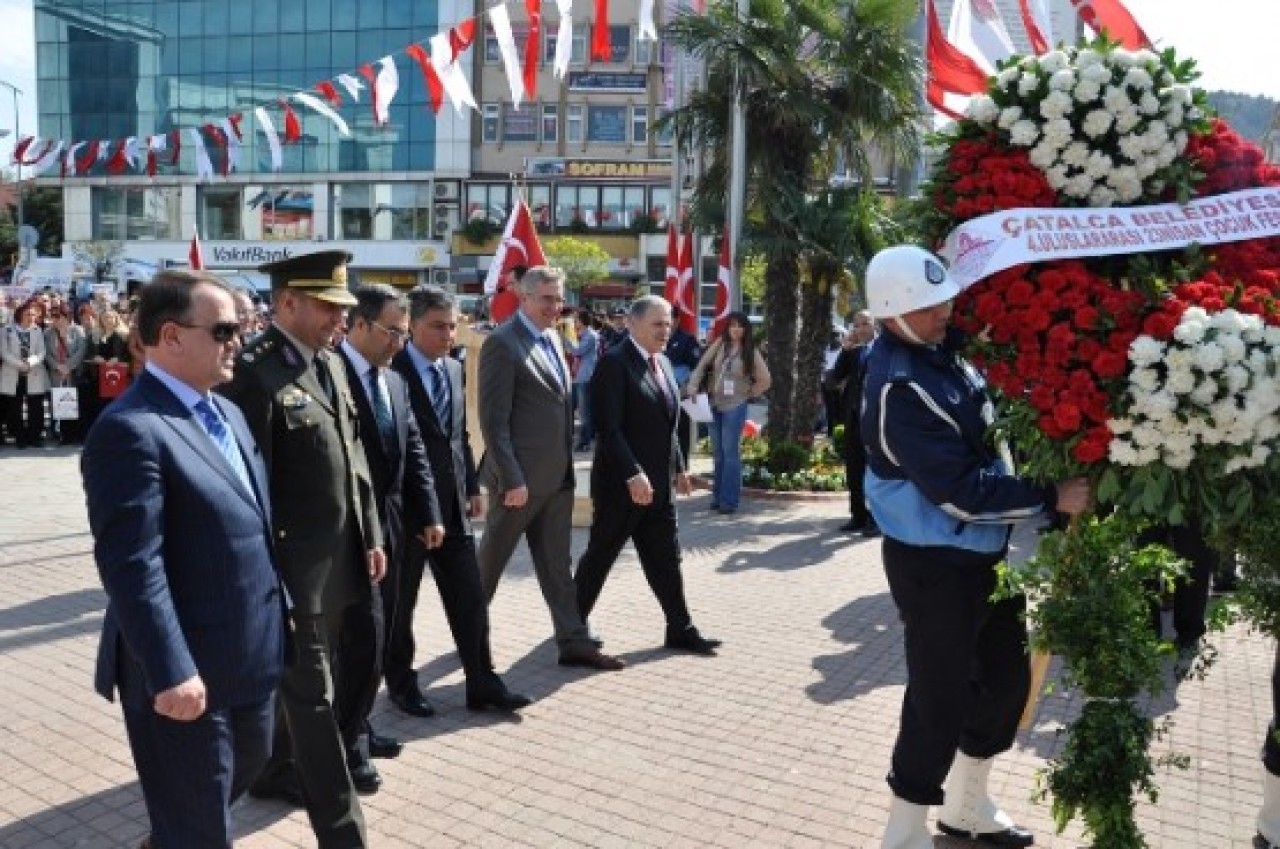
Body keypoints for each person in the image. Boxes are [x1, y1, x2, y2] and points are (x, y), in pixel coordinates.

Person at [860, 245, 1091, 849]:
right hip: (935, 565)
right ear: (892, 314)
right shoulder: (899, 386)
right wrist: (1051, 497)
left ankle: (966, 806)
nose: (945, 313)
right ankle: (903, 830)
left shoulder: (934, 347)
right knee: (939, 696)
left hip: (980, 557)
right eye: (931, 306)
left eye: (945, 301)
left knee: (1006, 684)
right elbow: (959, 493)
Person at [81, 270, 287, 849]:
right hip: (184, 668)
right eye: (224, 330)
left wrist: (281, 607)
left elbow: (254, 528)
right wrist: (171, 670)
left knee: (239, 774)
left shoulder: (228, 413)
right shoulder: (131, 430)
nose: (238, 342)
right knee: (200, 828)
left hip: (247, 652)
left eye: (242, 328)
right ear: (170, 336)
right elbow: (132, 565)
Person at [221, 249, 384, 848]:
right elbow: (246, 489)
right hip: (291, 576)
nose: (340, 318)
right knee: (315, 707)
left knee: (300, 700)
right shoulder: (252, 373)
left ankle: (262, 773)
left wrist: (370, 532)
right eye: (327, 306)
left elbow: (353, 455)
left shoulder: (332, 364)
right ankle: (345, 836)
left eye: (343, 307)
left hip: (338, 563)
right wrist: (269, 583)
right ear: (286, 303)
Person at [390, 285, 533, 712]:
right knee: (402, 607)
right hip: (409, 512)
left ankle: (482, 680)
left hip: (452, 508)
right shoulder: (391, 371)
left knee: (470, 600)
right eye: (437, 326)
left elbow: (458, 436)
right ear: (412, 325)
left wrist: (471, 486)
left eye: (453, 326)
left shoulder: (453, 369)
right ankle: (402, 685)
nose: (447, 335)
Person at [476, 265, 624, 671]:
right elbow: (493, 421)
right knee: (489, 562)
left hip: (557, 479)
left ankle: (573, 640)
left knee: (558, 567)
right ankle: (468, 629)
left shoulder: (556, 340)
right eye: (545, 298)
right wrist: (511, 477)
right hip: (518, 483)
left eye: (559, 299)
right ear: (523, 298)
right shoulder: (502, 344)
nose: (554, 306)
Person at [335, 284, 445, 792]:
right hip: (348, 532)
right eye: (392, 331)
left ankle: (360, 722)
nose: (400, 342)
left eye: (403, 332)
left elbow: (415, 451)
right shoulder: (328, 375)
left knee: (381, 634)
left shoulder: (394, 381)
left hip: (395, 528)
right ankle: (347, 744)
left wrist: (428, 513)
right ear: (358, 325)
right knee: (354, 640)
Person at [574, 296, 722, 655]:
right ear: (632, 324)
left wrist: (679, 468)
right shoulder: (614, 364)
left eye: (668, 323)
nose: (665, 330)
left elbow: (666, 426)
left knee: (666, 561)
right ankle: (571, 627)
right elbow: (608, 429)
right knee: (600, 557)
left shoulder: (665, 364)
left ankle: (680, 628)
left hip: (659, 488)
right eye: (657, 324)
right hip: (621, 488)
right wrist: (632, 475)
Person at [686, 311, 771, 515]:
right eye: (732, 325)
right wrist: (692, 387)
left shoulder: (750, 351)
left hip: (735, 405)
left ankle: (729, 501)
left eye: (740, 326)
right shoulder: (720, 344)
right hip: (714, 404)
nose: (736, 329)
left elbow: (766, 379)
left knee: (730, 453)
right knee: (718, 454)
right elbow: (702, 365)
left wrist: (749, 393)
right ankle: (717, 497)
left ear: (745, 329)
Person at [825, 309, 879, 536]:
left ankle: (875, 519)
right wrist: (845, 351)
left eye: (864, 324)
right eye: (855, 325)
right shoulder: (853, 353)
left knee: (875, 471)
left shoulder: (885, 350)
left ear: (875, 325)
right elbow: (832, 381)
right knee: (854, 470)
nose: (859, 329)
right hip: (854, 418)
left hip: (876, 420)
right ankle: (858, 516)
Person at [2, 300, 51, 448]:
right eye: (27, 314)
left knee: (36, 406)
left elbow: (42, 352)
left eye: (33, 315)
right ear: (20, 314)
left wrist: (30, 362)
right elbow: (4, 352)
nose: (31, 317)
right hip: (13, 373)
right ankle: (20, 438)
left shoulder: (37, 331)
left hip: (33, 372)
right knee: (15, 407)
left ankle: (34, 437)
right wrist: (20, 364)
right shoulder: (7, 330)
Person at [44, 305, 90, 444]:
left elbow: (81, 351)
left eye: (58, 317)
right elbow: (46, 353)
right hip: (56, 373)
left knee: (72, 403)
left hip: (74, 373)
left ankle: (74, 434)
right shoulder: (48, 333)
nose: (55, 320)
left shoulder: (78, 330)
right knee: (59, 404)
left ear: (66, 317)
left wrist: (68, 366)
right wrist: (58, 366)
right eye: (53, 317)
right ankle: (63, 435)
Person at [564, 307, 600, 452]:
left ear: (583, 321)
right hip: (579, 376)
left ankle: (585, 442)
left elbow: (577, 350)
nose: (574, 322)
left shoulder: (590, 335)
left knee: (585, 413)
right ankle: (580, 438)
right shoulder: (582, 334)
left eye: (577, 319)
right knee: (573, 408)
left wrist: (565, 338)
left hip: (586, 376)